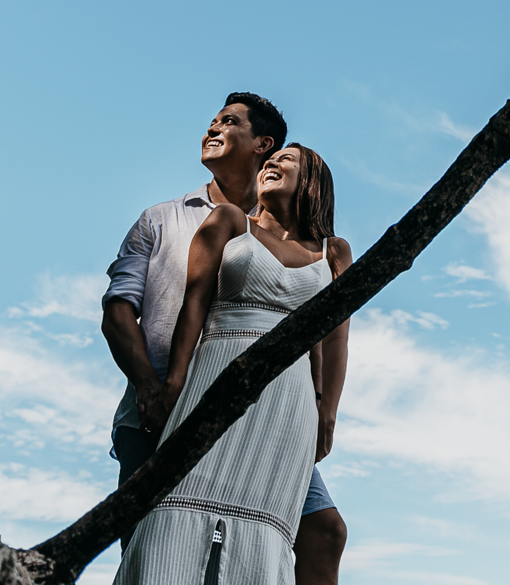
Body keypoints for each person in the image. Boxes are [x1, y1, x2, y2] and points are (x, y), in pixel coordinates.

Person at [102, 95, 350, 583]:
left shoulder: (303, 235)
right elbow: (118, 310)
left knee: (324, 530)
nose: (212, 129)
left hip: (275, 408)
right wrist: (155, 388)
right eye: (213, 121)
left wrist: (323, 404)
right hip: (166, 404)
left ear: (263, 144)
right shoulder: (162, 219)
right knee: (161, 541)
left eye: (229, 122)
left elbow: (324, 336)